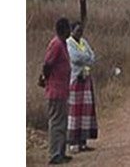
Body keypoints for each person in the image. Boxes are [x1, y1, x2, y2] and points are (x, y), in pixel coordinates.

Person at [39, 17, 73, 164]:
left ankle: (61, 151)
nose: (70, 32)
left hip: (62, 89)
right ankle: (54, 154)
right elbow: (47, 64)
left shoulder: (62, 43)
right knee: (56, 122)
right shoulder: (56, 44)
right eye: (68, 29)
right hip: (55, 89)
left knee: (62, 122)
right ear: (63, 30)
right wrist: (45, 80)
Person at [66, 21, 98, 153]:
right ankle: (73, 143)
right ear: (71, 30)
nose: (80, 33)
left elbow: (93, 57)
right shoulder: (68, 43)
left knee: (86, 112)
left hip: (86, 80)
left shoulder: (83, 42)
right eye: (77, 30)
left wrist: (85, 58)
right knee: (75, 113)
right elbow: (75, 58)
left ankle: (83, 142)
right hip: (75, 81)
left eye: (81, 31)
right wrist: (86, 58)